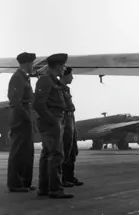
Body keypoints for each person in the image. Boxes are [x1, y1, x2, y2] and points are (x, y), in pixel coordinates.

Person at [33, 53, 73, 199]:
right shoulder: (45, 80)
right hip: (52, 120)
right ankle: (55, 189)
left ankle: (44, 188)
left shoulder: (52, 80)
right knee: (56, 154)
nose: (64, 69)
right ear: (57, 66)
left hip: (54, 119)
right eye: (63, 66)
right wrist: (53, 121)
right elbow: (38, 104)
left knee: (47, 154)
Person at [7, 52, 36, 192]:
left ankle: (24, 182)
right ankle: (15, 184)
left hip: (25, 117)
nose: (33, 66)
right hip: (20, 119)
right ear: (26, 63)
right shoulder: (18, 78)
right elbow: (15, 102)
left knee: (26, 151)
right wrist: (25, 116)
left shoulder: (24, 77)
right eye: (31, 63)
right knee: (18, 152)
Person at [60, 66, 84, 187]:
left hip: (71, 121)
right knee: (65, 150)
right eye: (71, 75)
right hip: (65, 122)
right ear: (65, 75)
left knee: (72, 150)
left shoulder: (66, 89)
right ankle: (63, 178)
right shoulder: (59, 88)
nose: (72, 77)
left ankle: (70, 176)